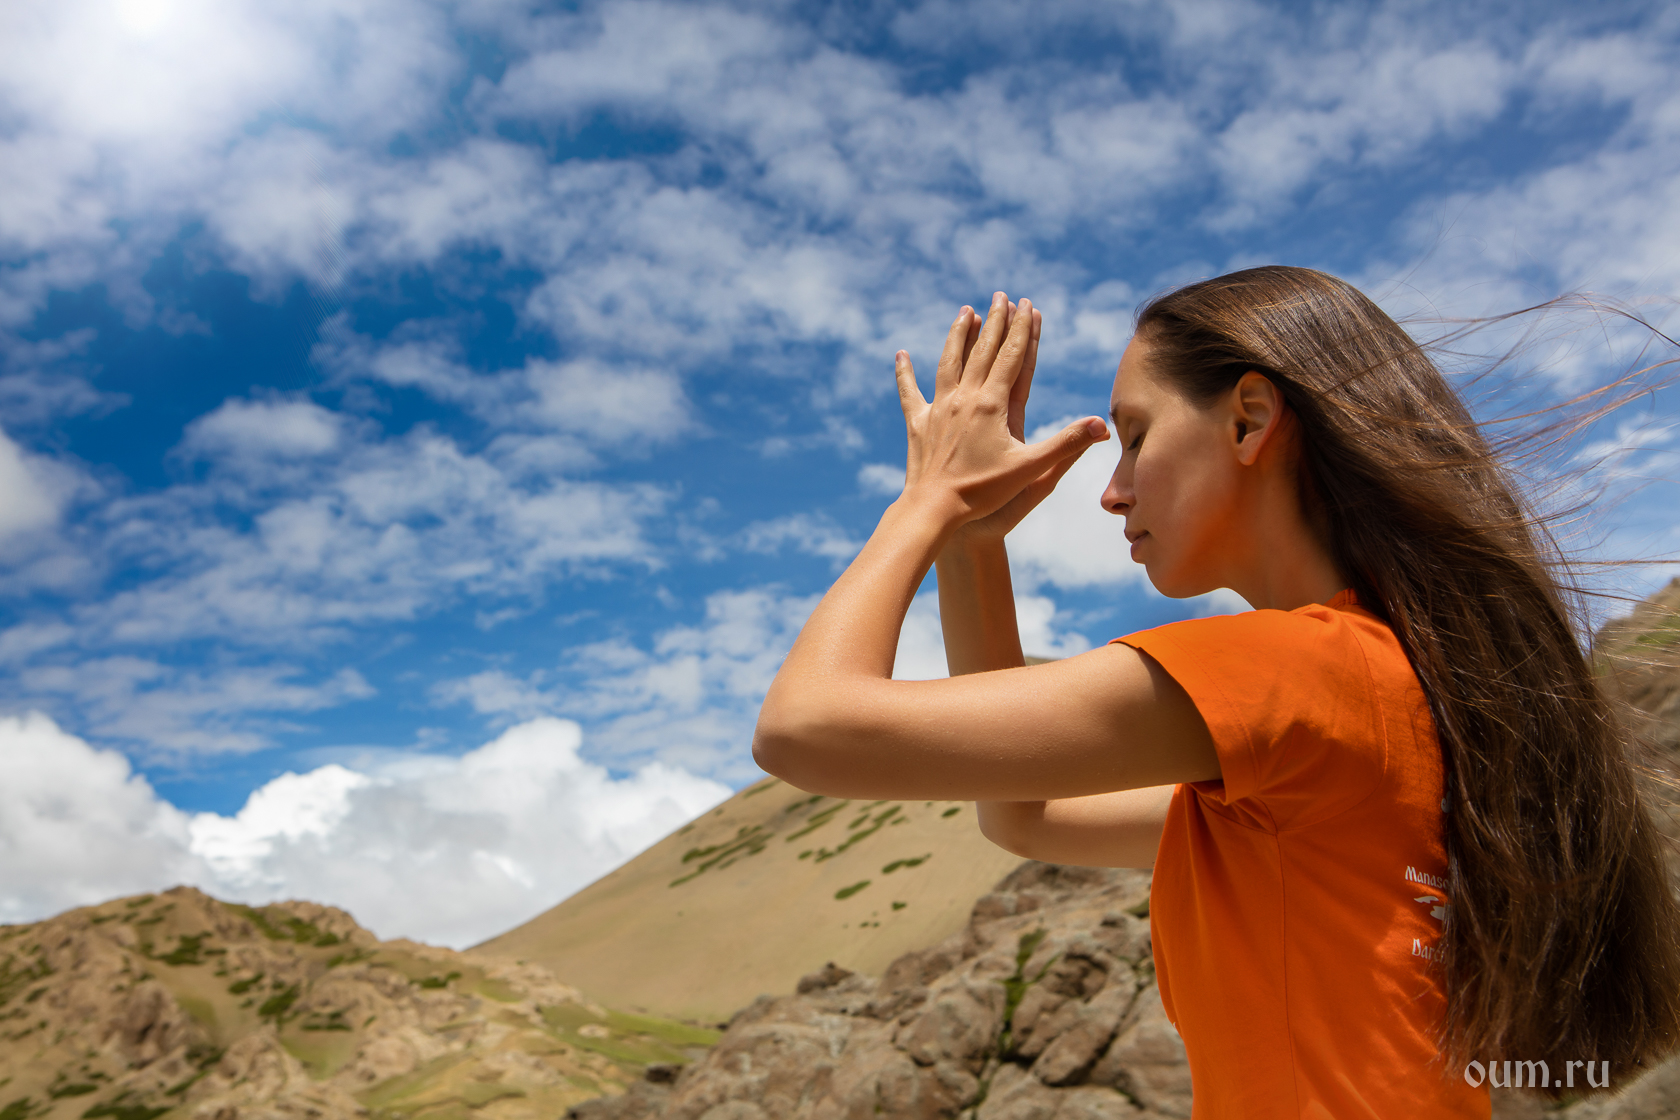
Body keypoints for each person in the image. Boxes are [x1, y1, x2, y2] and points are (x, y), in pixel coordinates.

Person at [751, 266, 1680, 1118]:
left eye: (1136, 436)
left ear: (1247, 419)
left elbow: (804, 728)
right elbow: (1022, 815)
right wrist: (976, 545)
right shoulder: (1382, 696)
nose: (1111, 493)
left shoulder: (1294, 670)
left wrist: (931, 501)